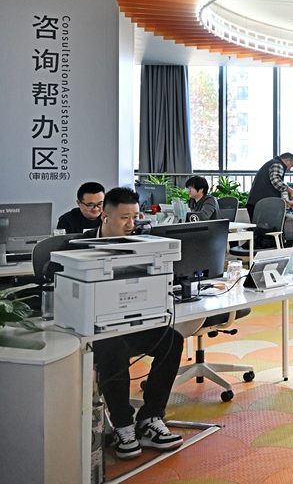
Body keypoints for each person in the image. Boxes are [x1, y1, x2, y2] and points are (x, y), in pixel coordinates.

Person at [86, 187, 184, 458]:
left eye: (135, 217)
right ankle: (123, 425)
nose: (131, 224)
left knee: (171, 340)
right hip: (97, 329)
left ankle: (150, 417)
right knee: (113, 347)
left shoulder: (142, 243)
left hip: (136, 320)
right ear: (105, 216)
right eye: (124, 218)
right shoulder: (79, 247)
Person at [247, 152, 293, 219]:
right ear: (288, 161)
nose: (289, 169)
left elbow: (271, 188)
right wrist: (292, 191)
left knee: (261, 225)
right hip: (262, 205)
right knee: (267, 225)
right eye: (291, 166)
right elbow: (276, 181)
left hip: (257, 203)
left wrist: (286, 202)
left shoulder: (272, 163)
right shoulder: (277, 164)